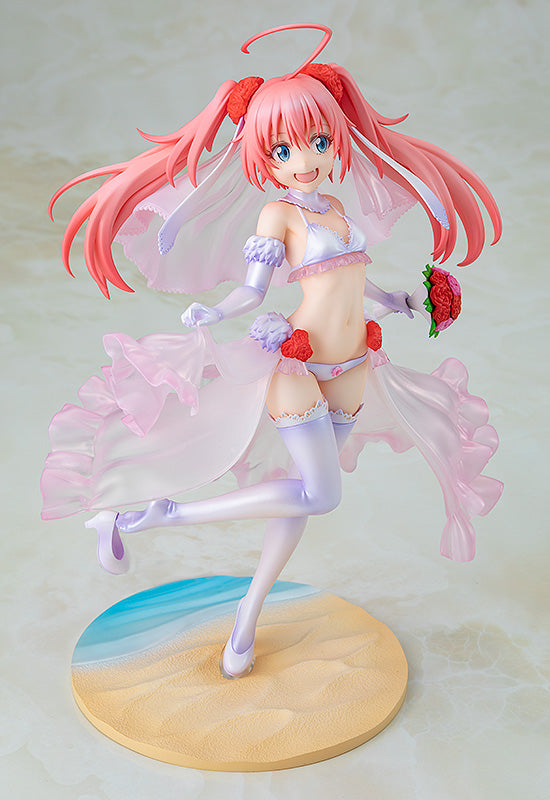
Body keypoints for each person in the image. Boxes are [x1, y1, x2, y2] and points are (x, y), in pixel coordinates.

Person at [41, 25, 503, 679]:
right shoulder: (279, 216)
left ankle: (247, 615)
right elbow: (253, 289)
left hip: (355, 365)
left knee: (301, 500)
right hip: (299, 363)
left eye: (318, 142)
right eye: (284, 149)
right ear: (264, 157)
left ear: (336, 139)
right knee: (321, 495)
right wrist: (217, 311)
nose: (304, 159)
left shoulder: (336, 208)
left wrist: (399, 299)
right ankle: (164, 513)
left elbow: (353, 280)